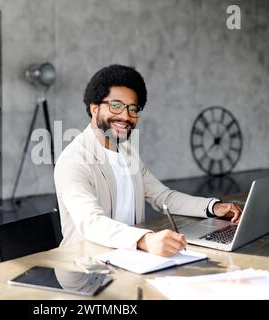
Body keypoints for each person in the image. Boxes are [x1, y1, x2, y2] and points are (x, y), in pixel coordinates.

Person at [54, 64, 242, 257]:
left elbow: (163, 197)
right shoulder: (73, 161)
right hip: (86, 269)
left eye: (133, 109)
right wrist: (145, 240)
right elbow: (91, 222)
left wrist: (213, 207)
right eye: (116, 106)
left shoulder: (127, 152)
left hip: (132, 259)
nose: (126, 116)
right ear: (95, 109)